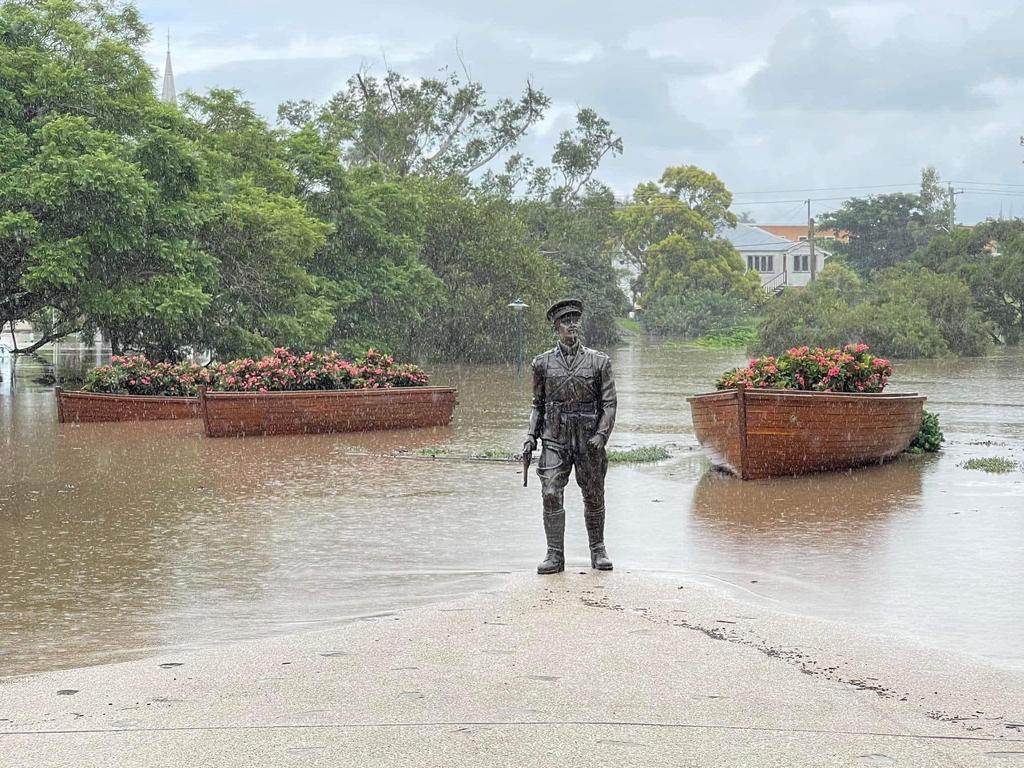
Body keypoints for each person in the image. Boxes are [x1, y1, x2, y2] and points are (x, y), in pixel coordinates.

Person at [521, 298, 617, 574]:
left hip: (588, 438)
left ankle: (598, 549)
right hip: (555, 438)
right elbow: (537, 405)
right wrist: (530, 436)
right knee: (550, 492)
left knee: (594, 494)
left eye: (575, 319)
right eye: (565, 321)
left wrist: (602, 434)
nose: (571, 325)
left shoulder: (599, 362)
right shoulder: (542, 364)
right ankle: (554, 554)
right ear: (555, 327)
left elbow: (609, 403)